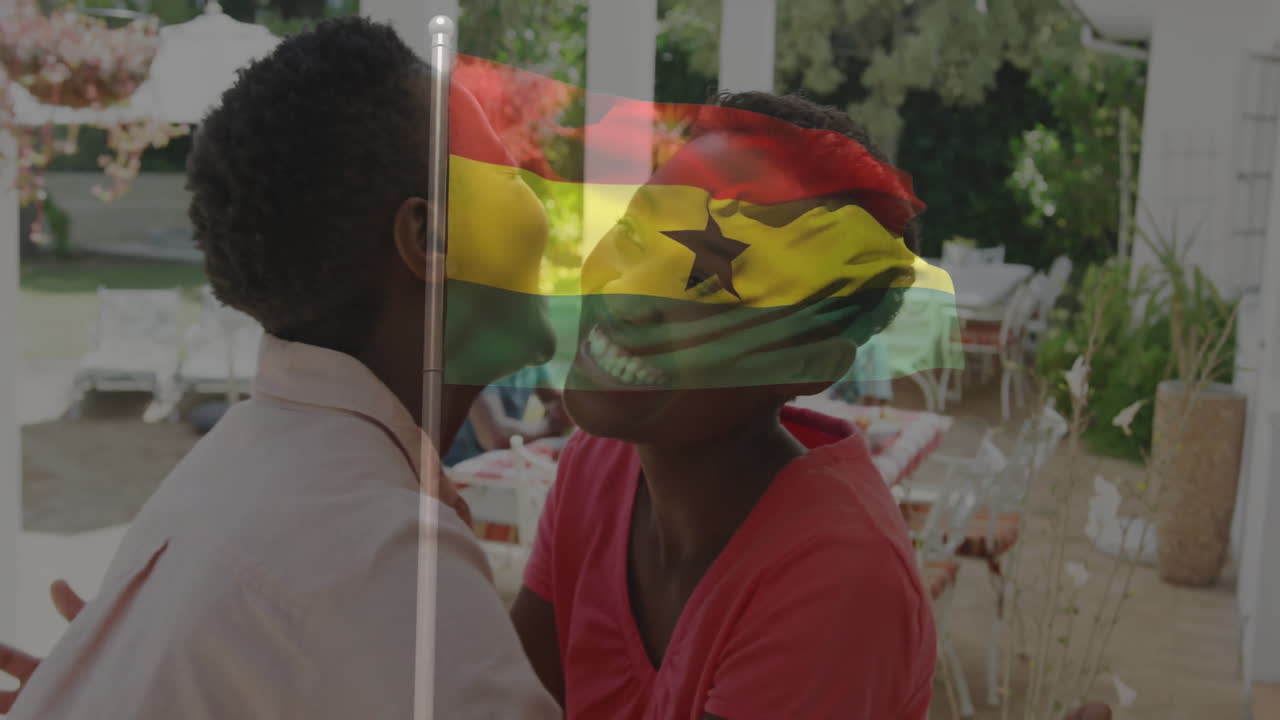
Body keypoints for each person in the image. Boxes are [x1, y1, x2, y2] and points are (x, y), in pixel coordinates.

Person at [0, 18, 560, 719]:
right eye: (507, 172)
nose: (540, 196)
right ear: (430, 239)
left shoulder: (235, 462)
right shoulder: (382, 550)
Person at [443, 364, 572, 467]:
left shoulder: (533, 360)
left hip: (501, 466)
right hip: (458, 473)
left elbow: (559, 404)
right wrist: (551, 425)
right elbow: (495, 438)